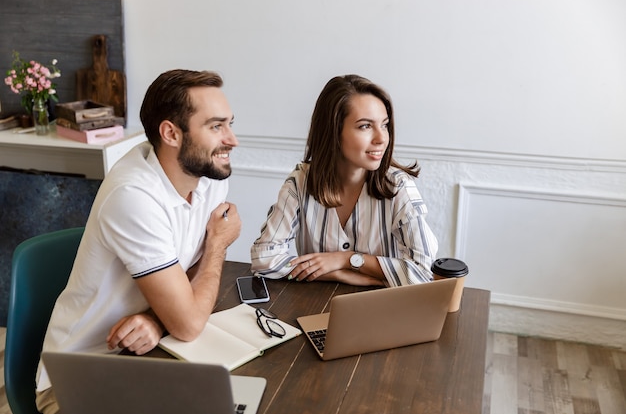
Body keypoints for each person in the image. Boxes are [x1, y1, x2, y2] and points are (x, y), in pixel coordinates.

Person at [35, 69, 241, 414]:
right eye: (216, 126)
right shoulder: (133, 196)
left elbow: (191, 273)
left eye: (230, 123)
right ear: (171, 133)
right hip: (78, 381)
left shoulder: (209, 177)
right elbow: (189, 323)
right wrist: (219, 243)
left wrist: (157, 320)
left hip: (152, 356)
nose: (231, 139)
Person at [250, 74, 437, 287]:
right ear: (333, 132)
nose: (381, 138)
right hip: (315, 308)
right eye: (365, 126)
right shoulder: (300, 183)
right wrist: (334, 273)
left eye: (384, 125)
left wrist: (346, 260)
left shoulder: (398, 187)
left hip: (383, 309)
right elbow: (262, 259)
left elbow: (423, 272)